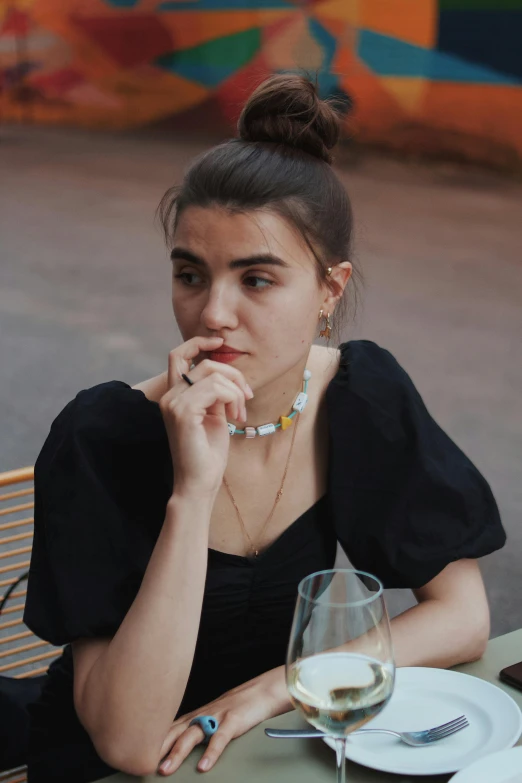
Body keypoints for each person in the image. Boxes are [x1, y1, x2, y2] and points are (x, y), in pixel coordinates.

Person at [24, 74, 505, 783]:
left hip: (273, 741)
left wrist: (269, 690)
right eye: (191, 274)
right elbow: (127, 742)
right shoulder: (103, 437)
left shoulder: (359, 396)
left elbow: (463, 616)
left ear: (328, 291)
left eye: (256, 279)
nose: (213, 312)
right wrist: (192, 491)